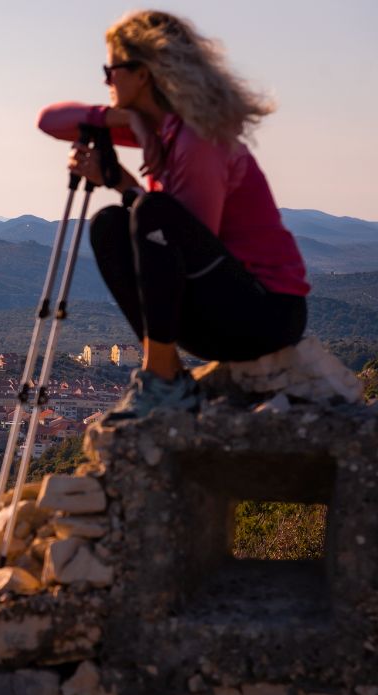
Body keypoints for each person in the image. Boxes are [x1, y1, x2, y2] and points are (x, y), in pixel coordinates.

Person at [37, 10, 309, 420]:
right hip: (221, 311)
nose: (106, 81)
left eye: (110, 70)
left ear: (142, 74)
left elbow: (188, 237)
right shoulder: (163, 130)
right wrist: (128, 125)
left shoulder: (199, 138)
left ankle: (162, 380)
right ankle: (168, 373)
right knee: (108, 225)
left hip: (265, 315)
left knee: (149, 210)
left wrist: (133, 186)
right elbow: (49, 121)